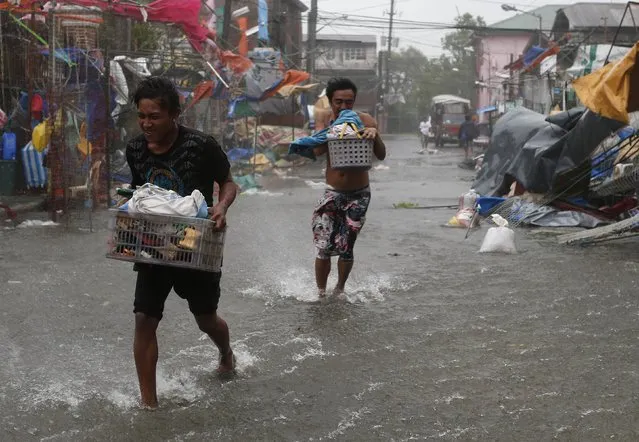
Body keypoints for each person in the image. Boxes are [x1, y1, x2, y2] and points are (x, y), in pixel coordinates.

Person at [125, 77, 237, 408]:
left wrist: (221, 206)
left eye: (154, 116)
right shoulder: (134, 149)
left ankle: (226, 352)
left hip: (196, 243)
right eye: (142, 116)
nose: (146, 123)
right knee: (144, 319)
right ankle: (149, 404)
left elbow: (228, 183)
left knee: (205, 319)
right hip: (154, 245)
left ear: (175, 114)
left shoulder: (202, 146)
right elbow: (137, 193)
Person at [312, 78, 386, 296]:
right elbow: (316, 153)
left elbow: (380, 155)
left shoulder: (365, 120)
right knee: (323, 246)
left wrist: (374, 135)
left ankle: (339, 290)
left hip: (359, 194)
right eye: (339, 102)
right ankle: (320, 293)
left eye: (349, 102)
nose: (344, 107)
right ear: (330, 101)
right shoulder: (325, 120)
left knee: (346, 245)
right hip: (332, 191)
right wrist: (330, 132)